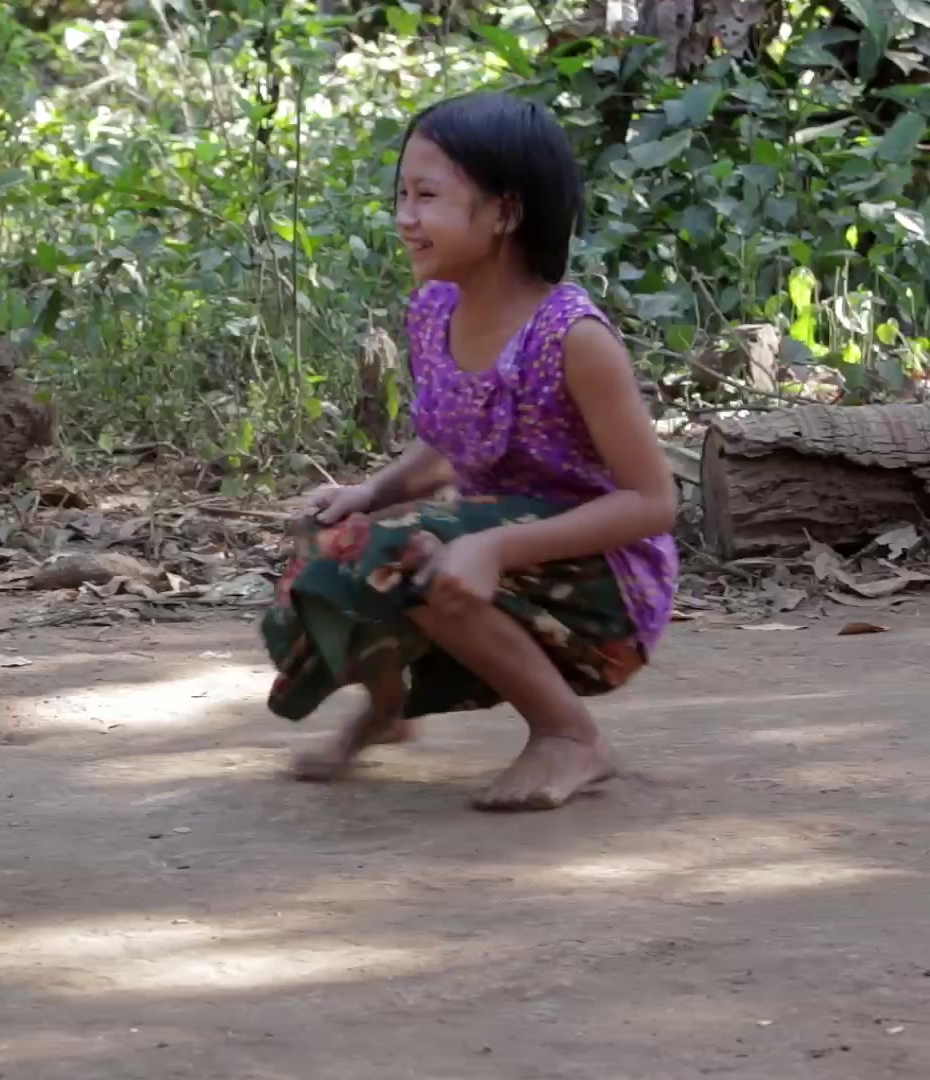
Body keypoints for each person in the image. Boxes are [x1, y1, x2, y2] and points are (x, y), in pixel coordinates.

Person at [260, 92, 678, 811]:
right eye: (402, 195)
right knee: (338, 537)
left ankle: (570, 736)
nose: (404, 217)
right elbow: (448, 441)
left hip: (605, 586)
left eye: (427, 197)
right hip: (497, 540)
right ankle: (388, 710)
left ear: (506, 212)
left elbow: (654, 503)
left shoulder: (573, 337)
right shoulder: (432, 311)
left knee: (400, 552)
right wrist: (373, 492)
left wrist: (494, 551)